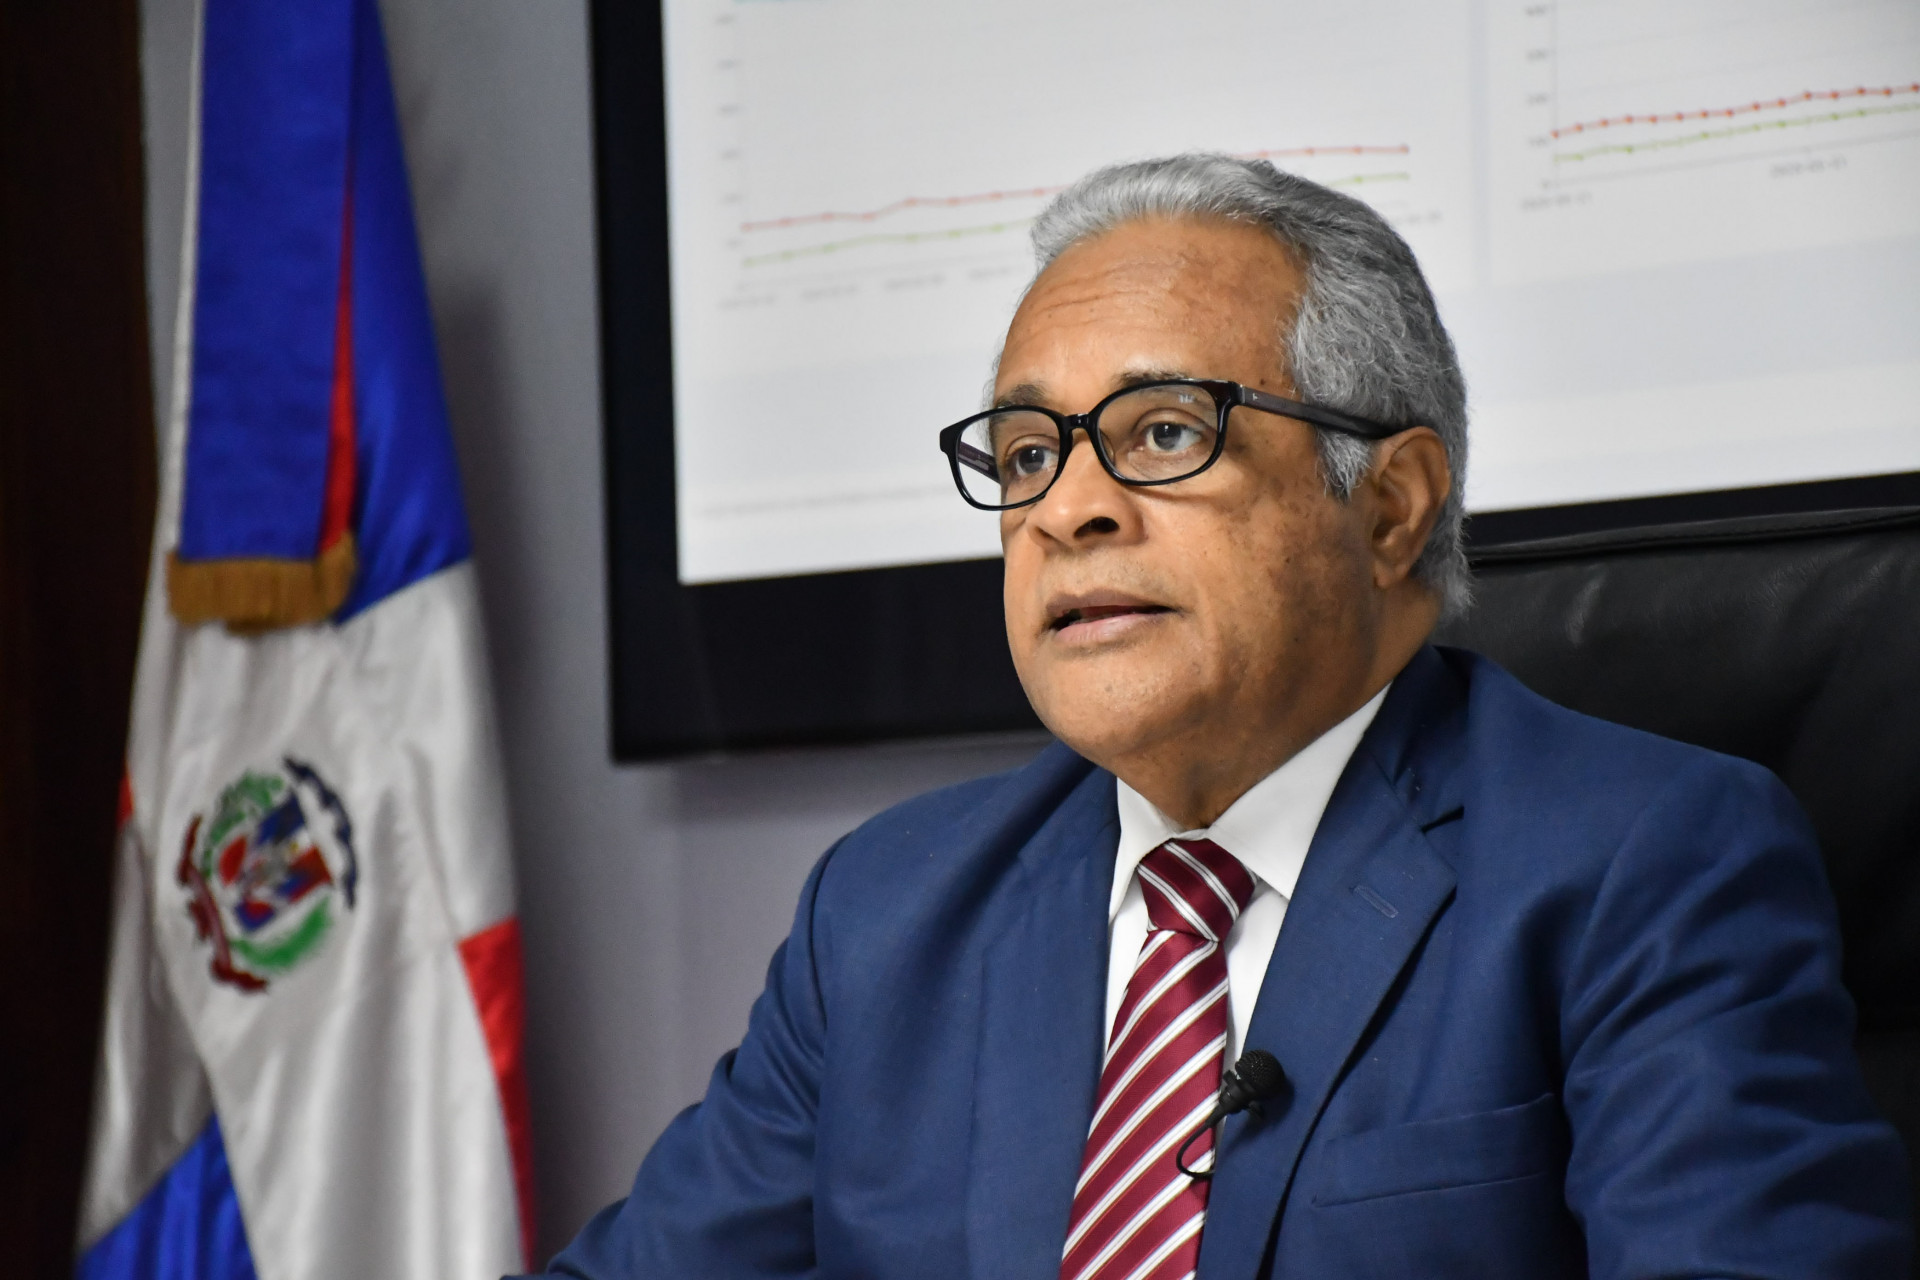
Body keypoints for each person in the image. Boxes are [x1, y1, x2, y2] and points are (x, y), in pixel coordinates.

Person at [528, 155, 1912, 1278]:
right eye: (1027, 453)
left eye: (1163, 432)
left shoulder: (1649, 863)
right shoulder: (887, 917)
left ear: (1390, 505)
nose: (1067, 509)